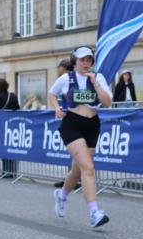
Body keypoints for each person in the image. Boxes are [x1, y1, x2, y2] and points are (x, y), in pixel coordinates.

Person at [48, 47, 113, 228]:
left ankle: (61, 195)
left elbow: (107, 103)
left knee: (78, 171)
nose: (86, 63)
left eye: (89, 60)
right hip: (72, 124)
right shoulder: (66, 78)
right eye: (82, 60)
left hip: (92, 125)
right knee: (88, 168)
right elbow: (52, 93)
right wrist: (57, 108)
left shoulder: (98, 78)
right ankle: (94, 213)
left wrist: (96, 83)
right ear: (75, 61)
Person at [0, 78, 20, 178]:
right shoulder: (13, 96)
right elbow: (17, 108)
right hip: (12, 126)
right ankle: (13, 171)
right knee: (11, 147)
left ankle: (6, 171)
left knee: (3, 148)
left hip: (1, 126)